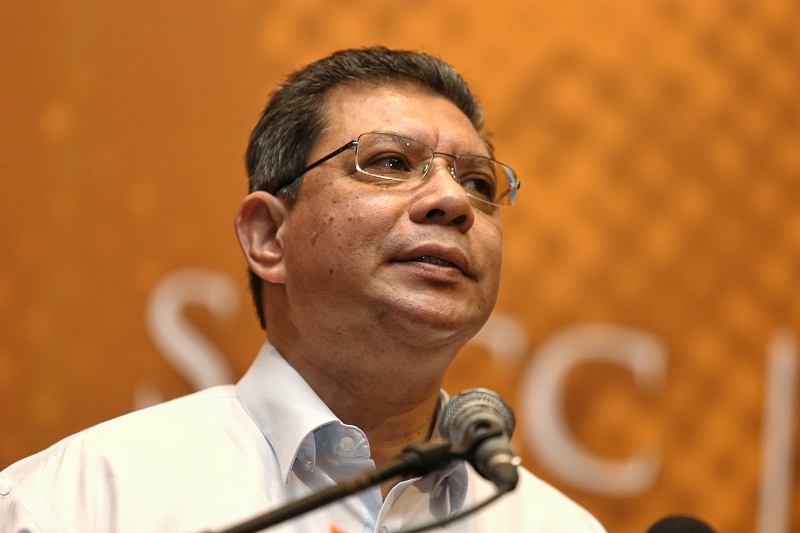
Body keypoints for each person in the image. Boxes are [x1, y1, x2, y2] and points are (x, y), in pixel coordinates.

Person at [0, 47, 606, 532]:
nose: (453, 201)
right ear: (268, 236)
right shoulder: (81, 504)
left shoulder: (555, 525)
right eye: (393, 163)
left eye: (476, 180)